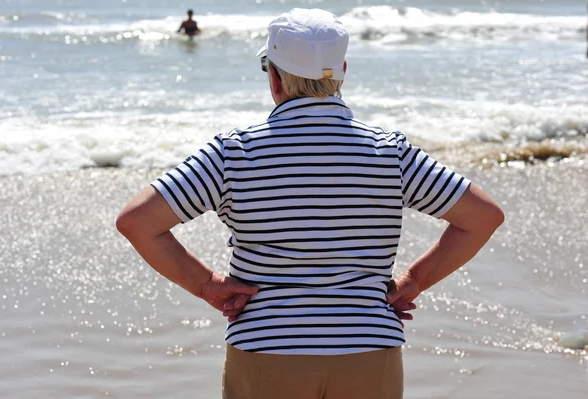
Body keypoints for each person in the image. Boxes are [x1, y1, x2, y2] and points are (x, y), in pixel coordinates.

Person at [116, 8, 504, 399]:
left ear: (274, 77)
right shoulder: (389, 151)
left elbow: (137, 221)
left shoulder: (234, 152)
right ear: (343, 71)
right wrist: (413, 282)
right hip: (368, 348)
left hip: (266, 348)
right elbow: (483, 217)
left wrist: (207, 285)